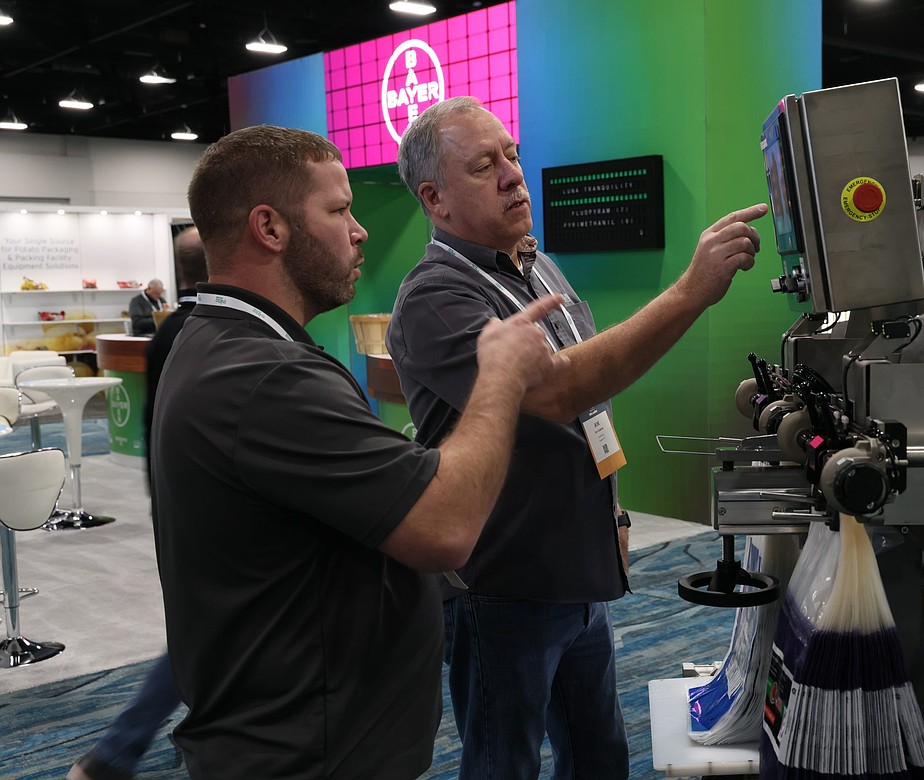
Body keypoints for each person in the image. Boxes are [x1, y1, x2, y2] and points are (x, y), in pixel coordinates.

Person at [150, 125, 566, 779]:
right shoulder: (263, 376)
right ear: (270, 227)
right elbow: (446, 526)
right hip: (310, 755)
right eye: (339, 210)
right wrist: (500, 376)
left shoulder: (221, 343)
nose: (360, 230)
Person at [388, 96, 767, 780]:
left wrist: (613, 512)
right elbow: (558, 391)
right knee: (503, 763)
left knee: (599, 755)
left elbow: (591, 403)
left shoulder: (535, 265)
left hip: (578, 567)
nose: (513, 175)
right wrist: (690, 291)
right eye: (484, 165)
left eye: (512, 155)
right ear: (434, 199)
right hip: (504, 584)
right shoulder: (435, 298)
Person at [68, 226, 206, 780]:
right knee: (200, 633)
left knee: (203, 631)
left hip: (177, 503)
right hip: (199, 511)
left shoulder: (175, 327)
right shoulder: (200, 331)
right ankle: (114, 752)